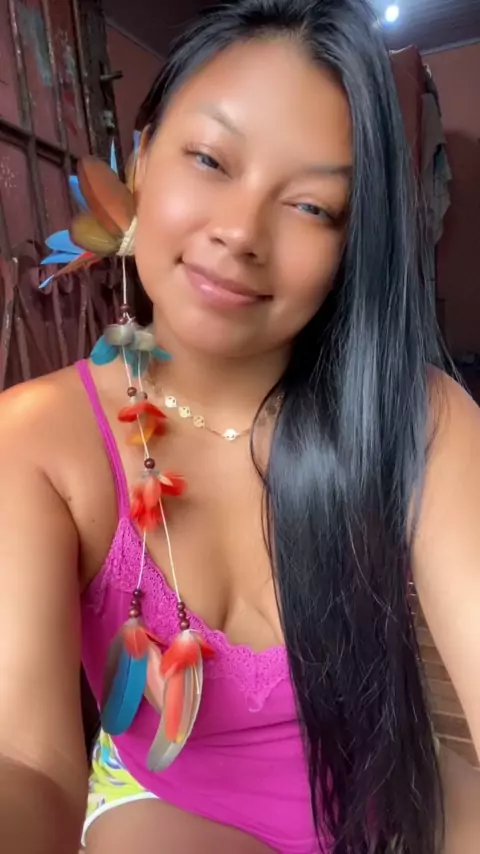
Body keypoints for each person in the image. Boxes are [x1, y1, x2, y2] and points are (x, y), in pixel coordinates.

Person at [0, 0, 479, 852]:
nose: (239, 232)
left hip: (392, 787)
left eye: (313, 207)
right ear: (142, 158)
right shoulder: (37, 440)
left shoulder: (418, 415)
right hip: (171, 807)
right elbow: (27, 762)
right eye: (210, 159)